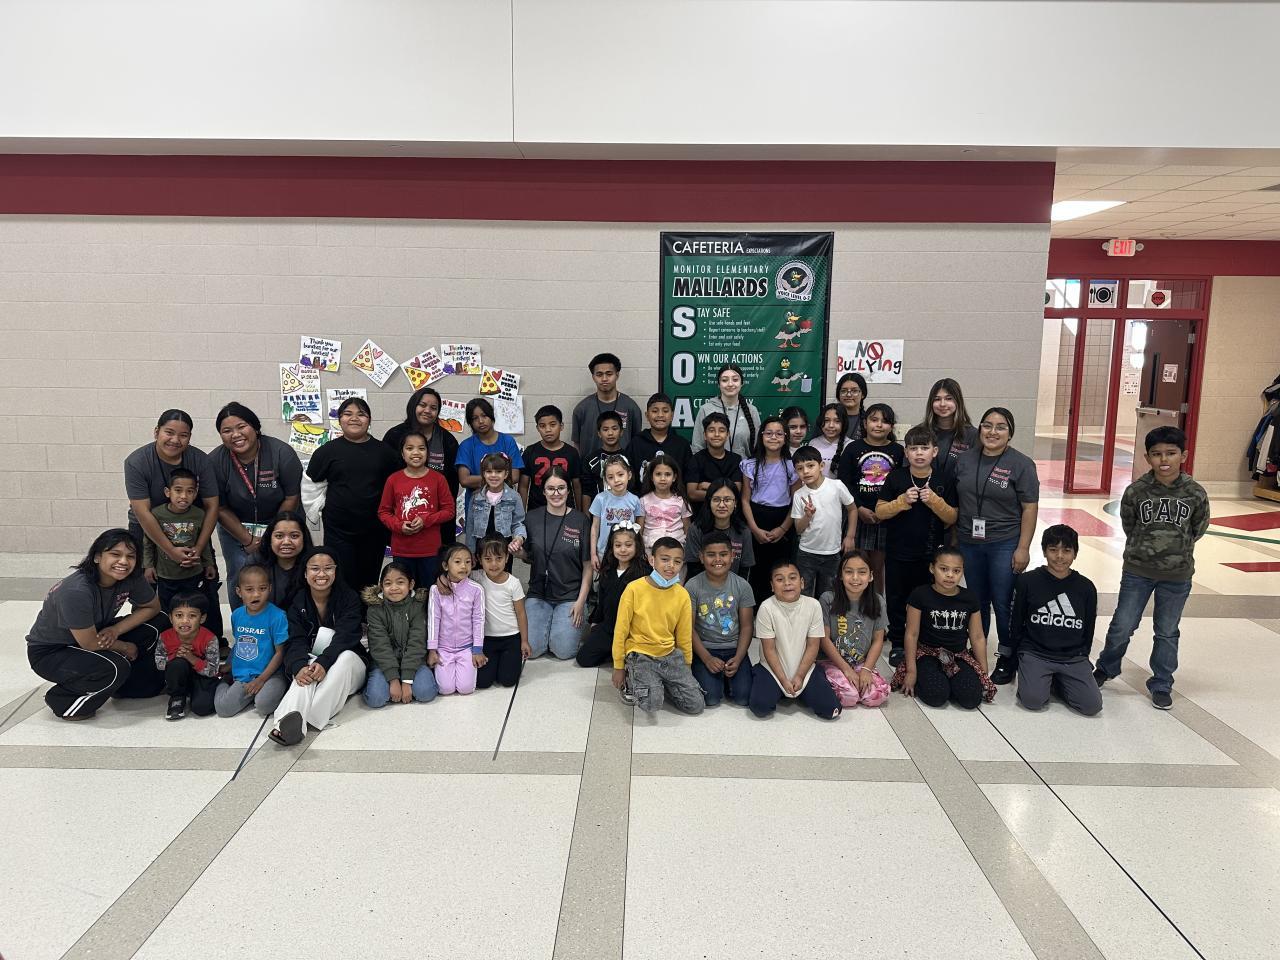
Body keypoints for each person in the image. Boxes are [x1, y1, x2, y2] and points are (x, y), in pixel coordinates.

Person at [1093, 426, 1210, 709]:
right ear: (1147, 458)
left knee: (1167, 630)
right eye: (1157, 454)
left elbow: (1198, 528)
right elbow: (1129, 525)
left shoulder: (1195, 493)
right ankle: (1107, 667)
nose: (1164, 459)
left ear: (1184, 455)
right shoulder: (1136, 491)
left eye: (1171, 453)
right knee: (1123, 624)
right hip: (1138, 571)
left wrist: (1175, 549)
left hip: (1177, 575)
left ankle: (1161, 682)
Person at [26, 529, 168, 720]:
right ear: (97, 557)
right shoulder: (76, 591)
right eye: (115, 554)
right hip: (52, 651)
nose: (123, 562)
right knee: (115, 667)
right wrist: (126, 647)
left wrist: (115, 630)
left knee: (159, 621)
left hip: (96, 632)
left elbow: (152, 607)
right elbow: (90, 643)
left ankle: (126, 686)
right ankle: (62, 700)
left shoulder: (130, 577)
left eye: (130, 556)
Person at [954, 407, 1039, 683]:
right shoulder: (965, 460)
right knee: (976, 600)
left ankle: (1007, 655)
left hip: (1004, 542)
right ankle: (977, 650)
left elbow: (1029, 508)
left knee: (1003, 602)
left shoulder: (1021, 464)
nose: (992, 432)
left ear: (1010, 433)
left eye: (1000, 427)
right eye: (987, 425)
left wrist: (1023, 547)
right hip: (969, 541)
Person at [269, 546, 369, 745]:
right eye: (315, 568)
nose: (322, 574)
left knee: (345, 657)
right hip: (315, 660)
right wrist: (298, 666)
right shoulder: (297, 601)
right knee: (305, 670)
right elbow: (295, 640)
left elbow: (345, 637)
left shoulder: (349, 598)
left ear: (336, 571)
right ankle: (284, 725)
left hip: (349, 665)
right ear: (305, 573)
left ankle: (303, 719)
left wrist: (324, 661)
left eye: (328, 568)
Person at [875, 425, 957, 665]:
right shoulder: (896, 477)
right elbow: (880, 511)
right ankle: (898, 643)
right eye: (913, 448)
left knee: (927, 598)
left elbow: (952, 517)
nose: (919, 453)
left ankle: (924, 641)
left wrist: (934, 501)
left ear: (935, 451)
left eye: (924, 448)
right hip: (898, 551)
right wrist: (901, 501)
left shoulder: (944, 478)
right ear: (906, 452)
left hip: (930, 554)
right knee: (897, 598)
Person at [304, 397, 400, 593]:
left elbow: (398, 488)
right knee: (341, 581)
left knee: (369, 583)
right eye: (348, 414)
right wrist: (317, 511)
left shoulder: (385, 452)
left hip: (374, 531)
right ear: (340, 420)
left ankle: (367, 613)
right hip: (338, 531)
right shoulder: (326, 451)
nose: (354, 418)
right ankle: (344, 614)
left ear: (369, 420)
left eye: (361, 414)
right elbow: (310, 484)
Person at [211, 401, 302, 607]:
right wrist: (247, 539)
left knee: (283, 572)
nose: (235, 434)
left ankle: (286, 621)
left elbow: (292, 498)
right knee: (241, 572)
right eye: (227, 431)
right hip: (235, 526)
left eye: (241, 426)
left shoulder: (282, 453)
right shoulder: (216, 461)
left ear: (256, 427)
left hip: (280, 522)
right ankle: (243, 622)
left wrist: (272, 535)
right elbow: (219, 507)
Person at [1008, 525, 1101, 716]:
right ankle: (1042, 678)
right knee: (1033, 701)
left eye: (1066, 550)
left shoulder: (1086, 587)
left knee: (1092, 706)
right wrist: (1018, 654)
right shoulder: (1028, 581)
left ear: (1075, 553)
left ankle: (1058, 681)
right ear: (1044, 551)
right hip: (1036, 652)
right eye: (1053, 549)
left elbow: (1088, 628)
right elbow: (1016, 621)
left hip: (1072, 657)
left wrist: (1083, 655)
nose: (1059, 556)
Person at [124, 409, 220, 588]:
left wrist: (199, 548)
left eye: (183, 435)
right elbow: (142, 512)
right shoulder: (136, 462)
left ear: (189, 437)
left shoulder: (201, 460)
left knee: (204, 586)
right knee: (146, 585)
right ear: (156, 432)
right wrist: (170, 550)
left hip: (189, 525)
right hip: (147, 527)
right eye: (169, 432)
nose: (175, 440)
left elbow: (212, 506)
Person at [894, 547, 996, 710]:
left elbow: (977, 636)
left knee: (971, 700)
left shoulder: (969, 598)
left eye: (956, 571)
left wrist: (983, 673)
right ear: (932, 568)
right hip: (928, 654)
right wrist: (911, 671)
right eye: (944, 569)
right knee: (936, 697)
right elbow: (911, 634)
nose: (950, 575)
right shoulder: (920, 595)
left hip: (958, 655)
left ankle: (950, 683)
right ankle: (935, 680)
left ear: (962, 571)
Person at [611, 538, 704, 715]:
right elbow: (620, 631)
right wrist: (618, 667)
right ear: (652, 559)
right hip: (640, 654)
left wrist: (686, 666)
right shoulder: (634, 589)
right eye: (665, 559)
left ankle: (660, 683)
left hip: (670, 655)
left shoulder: (682, 595)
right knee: (651, 705)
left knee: (695, 705)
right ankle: (633, 678)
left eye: (677, 561)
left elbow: (684, 635)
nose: (671, 566)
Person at [749, 559, 842, 720]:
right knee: (760, 708)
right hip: (772, 669)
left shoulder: (813, 605)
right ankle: (770, 682)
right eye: (780, 579)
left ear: (802, 582)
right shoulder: (766, 607)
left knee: (832, 710)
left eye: (792, 578)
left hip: (805, 669)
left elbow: (813, 646)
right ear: (772, 586)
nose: (787, 583)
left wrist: (799, 676)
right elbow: (769, 649)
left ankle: (805, 687)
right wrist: (783, 679)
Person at [141, 468, 224, 640]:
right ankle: (169, 643)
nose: (184, 496)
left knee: (192, 609)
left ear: (196, 494)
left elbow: (204, 541)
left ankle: (193, 642)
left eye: (190, 491)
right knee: (167, 611)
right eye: (178, 490)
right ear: (167, 492)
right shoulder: (157, 514)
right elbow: (148, 542)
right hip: (166, 575)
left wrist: (208, 563)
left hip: (192, 574)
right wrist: (148, 565)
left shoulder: (199, 514)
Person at [522, 468, 591, 661]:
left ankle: (559, 627)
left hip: (570, 596)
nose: (556, 493)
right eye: (550, 488)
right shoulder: (531, 518)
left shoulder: (581, 520)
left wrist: (580, 602)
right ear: (543, 491)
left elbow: (588, 567)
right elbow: (528, 556)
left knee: (563, 651)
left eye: (561, 488)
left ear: (568, 490)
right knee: (532, 650)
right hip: (539, 594)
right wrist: (517, 551)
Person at [837, 402, 904, 588]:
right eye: (874, 420)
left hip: (886, 519)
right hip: (856, 516)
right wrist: (858, 508)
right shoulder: (852, 448)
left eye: (885, 421)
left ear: (891, 426)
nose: (879, 425)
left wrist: (886, 511)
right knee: (855, 566)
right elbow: (844, 482)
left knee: (877, 569)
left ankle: (877, 604)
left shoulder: (898, 451)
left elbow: (901, 485)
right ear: (865, 423)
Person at [686, 531, 755, 707]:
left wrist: (738, 658)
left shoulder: (742, 586)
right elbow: (688, 628)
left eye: (723, 554)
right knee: (710, 699)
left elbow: (747, 627)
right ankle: (717, 679)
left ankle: (729, 678)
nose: (718, 559)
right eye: (711, 555)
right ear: (701, 557)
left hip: (734, 649)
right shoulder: (692, 586)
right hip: (705, 648)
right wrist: (707, 658)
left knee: (743, 698)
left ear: (732, 556)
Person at [378, 431, 454, 588]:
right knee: (404, 592)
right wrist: (399, 526)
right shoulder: (393, 480)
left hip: (430, 550)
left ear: (427, 452)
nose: (416, 452)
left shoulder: (438, 479)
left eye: (421, 448)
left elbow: (449, 510)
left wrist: (426, 520)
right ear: (402, 453)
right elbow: (383, 512)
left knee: (429, 592)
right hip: (402, 550)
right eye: (410, 448)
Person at [214, 563, 288, 718]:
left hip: (271, 674)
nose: (256, 595)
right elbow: (239, 643)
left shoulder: (278, 616)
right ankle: (225, 680)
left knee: (264, 705)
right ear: (239, 592)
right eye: (249, 590)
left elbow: (280, 653)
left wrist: (261, 679)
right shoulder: (237, 615)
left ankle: (264, 691)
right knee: (223, 709)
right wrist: (230, 666)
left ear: (270, 589)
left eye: (262, 588)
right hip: (244, 674)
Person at [819, 551, 890, 709]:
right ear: (840, 575)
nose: (855, 578)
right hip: (832, 661)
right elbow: (824, 639)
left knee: (877, 696)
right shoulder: (827, 599)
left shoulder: (878, 601)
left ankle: (855, 684)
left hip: (861, 662)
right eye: (849, 572)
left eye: (862, 572)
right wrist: (846, 669)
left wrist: (866, 669)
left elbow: (878, 640)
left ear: (871, 576)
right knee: (848, 697)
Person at [361, 561, 437, 707]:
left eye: (400, 582)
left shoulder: (417, 606)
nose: (394, 588)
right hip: (383, 664)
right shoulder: (375, 609)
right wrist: (393, 680)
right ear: (381, 586)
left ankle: (408, 681)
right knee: (375, 699)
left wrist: (407, 680)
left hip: (415, 662)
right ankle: (378, 684)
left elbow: (417, 642)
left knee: (426, 693)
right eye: (388, 583)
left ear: (411, 584)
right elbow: (379, 645)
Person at [740, 416, 799, 602]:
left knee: (781, 571)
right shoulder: (750, 465)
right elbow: (744, 500)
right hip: (756, 520)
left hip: (783, 521)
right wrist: (754, 529)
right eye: (769, 433)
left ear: (786, 437)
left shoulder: (792, 466)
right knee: (757, 571)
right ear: (761, 436)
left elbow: (795, 502)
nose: (774, 437)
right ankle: (756, 612)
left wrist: (782, 529)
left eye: (779, 434)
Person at [577, 523, 648, 668]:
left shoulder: (644, 572)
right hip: (610, 627)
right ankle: (612, 651)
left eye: (628, 545)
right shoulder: (608, 570)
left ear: (637, 546)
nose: (623, 549)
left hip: (632, 631)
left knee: (635, 664)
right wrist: (596, 622)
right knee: (583, 658)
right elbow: (601, 600)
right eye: (618, 545)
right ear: (612, 547)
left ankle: (621, 652)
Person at [792, 445, 858, 599]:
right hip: (806, 553)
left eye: (810, 466)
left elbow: (852, 509)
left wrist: (850, 536)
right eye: (800, 468)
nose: (805, 471)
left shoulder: (836, 486)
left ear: (821, 466)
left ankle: (825, 616)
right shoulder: (799, 495)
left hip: (832, 553)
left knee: (829, 595)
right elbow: (798, 529)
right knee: (804, 594)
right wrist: (807, 516)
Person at [382, 386, 461, 508]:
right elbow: (385, 475)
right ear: (413, 406)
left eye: (433, 408)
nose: (427, 410)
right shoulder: (395, 436)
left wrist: (446, 511)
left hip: (437, 511)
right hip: (400, 508)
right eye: (422, 405)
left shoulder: (448, 440)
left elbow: (452, 481)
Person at [428, 543, 486, 696]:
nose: (464, 566)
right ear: (446, 566)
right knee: (445, 689)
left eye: (468, 562)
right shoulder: (435, 590)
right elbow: (433, 619)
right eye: (458, 562)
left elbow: (479, 620)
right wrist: (432, 649)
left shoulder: (476, 590)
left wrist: (477, 649)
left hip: (466, 648)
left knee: (466, 689)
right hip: (443, 648)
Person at [472, 537, 530, 688]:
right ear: (479, 559)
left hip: (511, 638)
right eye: (488, 559)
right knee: (483, 682)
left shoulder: (513, 583)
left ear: (507, 558)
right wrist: (441, 578)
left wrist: (524, 641)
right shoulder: (476, 577)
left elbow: (521, 613)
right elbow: (455, 575)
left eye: (499, 558)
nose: (494, 564)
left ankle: (507, 661)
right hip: (487, 639)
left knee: (508, 680)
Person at [156, 591, 221, 720]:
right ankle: (177, 697)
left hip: (202, 677)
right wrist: (177, 655)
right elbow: (159, 663)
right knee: (177, 664)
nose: (185, 621)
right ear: (171, 618)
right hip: (178, 674)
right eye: (179, 615)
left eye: (192, 616)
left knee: (202, 708)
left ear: (202, 618)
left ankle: (196, 691)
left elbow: (213, 670)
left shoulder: (210, 639)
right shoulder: (165, 637)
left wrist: (192, 658)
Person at [456, 397, 524, 512]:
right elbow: (464, 480)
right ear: (470, 423)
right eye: (475, 418)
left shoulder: (508, 441)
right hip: (476, 508)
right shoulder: (466, 445)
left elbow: (515, 476)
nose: (480, 421)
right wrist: (498, 478)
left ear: (491, 416)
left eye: (484, 416)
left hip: (505, 507)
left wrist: (484, 480)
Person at [572, 352, 645, 458]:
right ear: (593, 377)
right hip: (590, 467)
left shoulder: (631, 407)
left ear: (617, 375)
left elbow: (637, 443)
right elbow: (576, 445)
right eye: (599, 374)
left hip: (623, 467)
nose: (604, 379)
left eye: (609, 374)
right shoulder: (581, 409)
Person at [684, 479, 755, 582]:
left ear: (735, 503)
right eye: (716, 500)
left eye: (727, 500)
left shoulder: (743, 531)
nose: (722, 505)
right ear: (709, 502)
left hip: (734, 587)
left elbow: (745, 569)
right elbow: (693, 568)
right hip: (702, 587)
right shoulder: (696, 529)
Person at [462, 453, 527, 561]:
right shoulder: (476, 497)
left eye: (498, 471)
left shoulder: (514, 497)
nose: (493, 475)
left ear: (506, 474)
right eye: (489, 471)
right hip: (480, 549)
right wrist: (470, 551)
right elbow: (470, 526)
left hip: (503, 549)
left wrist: (519, 538)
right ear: (483, 474)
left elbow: (518, 523)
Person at [626, 392, 693, 492]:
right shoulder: (636, 443)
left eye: (665, 411)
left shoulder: (682, 445)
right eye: (655, 411)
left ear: (672, 415)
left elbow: (687, 479)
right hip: (642, 499)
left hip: (674, 499)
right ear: (647, 415)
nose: (660, 415)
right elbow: (629, 478)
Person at [690, 363, 761, 458]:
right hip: (711, 467)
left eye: (735, 380)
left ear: (742, 383)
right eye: (724, 380)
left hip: (743, 467)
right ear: (718, 384)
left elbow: (758, 448)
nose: (730, 384)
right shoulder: (706, 409)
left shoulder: (752, 411)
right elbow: (697, 447)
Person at [520, 404, 584, 511]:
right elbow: (523, 486)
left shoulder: (572, 453)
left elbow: (576, 485)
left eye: (553, 425)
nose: (548, 430)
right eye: (542, 426)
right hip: (537, 509)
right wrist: (522, 514)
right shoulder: (530, 451)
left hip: (565, 509)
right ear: (537, 428)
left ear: (561, 426)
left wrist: (579, 512)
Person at [589, 455, 645, 570]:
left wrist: (639, 550)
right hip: (603, 552)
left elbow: (639, 528)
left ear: (629, 475)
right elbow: (595, 527)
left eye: (620, 474)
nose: (616, 480)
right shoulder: (600, 499)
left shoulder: (635, 500)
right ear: (606, 480)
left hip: (627, 552)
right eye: (610, 477)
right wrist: (593, 554)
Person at [251, 510, 312, 610]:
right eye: (279, 536)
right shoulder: (256, 562)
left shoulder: (314, 565)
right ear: (270, 538)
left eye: (294, 536)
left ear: (304, 538)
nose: (286, 542)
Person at [685, 412, 743, 516]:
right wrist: (725, 494)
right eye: (711, 430)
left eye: (721, 430)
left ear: (728, 434)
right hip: (702, 516)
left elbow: (736, 491)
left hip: (730, 517)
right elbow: (692, 494)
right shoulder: (696, 459)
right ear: (705, 435)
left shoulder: (736, 460)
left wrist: (708, 486)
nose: (716, 434)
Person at [924, 378, 978, 480]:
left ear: (958, 401)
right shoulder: (920, 432)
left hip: (958, 489)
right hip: (923, 489)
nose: (942, 404)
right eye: (937, 399)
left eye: (949, 398)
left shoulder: (973, 435)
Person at [639, 454, 692, 555]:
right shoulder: (643, 500)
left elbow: (687, 529)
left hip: (676, 548)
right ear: (651, 477)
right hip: (650, 550)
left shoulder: (681, 501)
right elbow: (639, 530)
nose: (663, 478)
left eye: (667, 474)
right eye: (658, 474)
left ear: (674, 477)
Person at [581, 411, 630, 511]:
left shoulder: (629, 458)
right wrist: (586, 517)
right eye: (605, 429)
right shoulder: (590, 460)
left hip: (625, 513)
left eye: (614, 428)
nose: (610, 433)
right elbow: (586, 492)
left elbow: (634, 488)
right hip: (598, 515)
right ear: (599, 433)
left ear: (621, 432)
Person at [809, 403, 848, 477]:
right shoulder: (813, 443)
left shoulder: (850, 445)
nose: (831, 425)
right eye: (826, 420)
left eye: (837, 421)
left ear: (844, 423)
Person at [835, 372, 868, 443]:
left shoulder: (868, 420)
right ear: (838, 394)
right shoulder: (827, 418)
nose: (849, 395)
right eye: (844, 391)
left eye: (854, 391)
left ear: (863, 394)